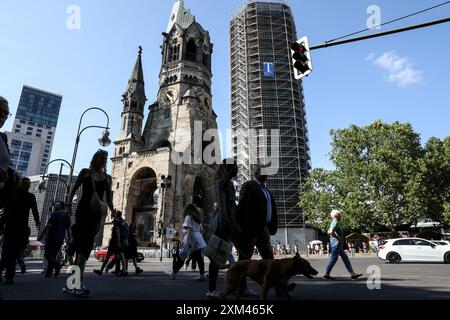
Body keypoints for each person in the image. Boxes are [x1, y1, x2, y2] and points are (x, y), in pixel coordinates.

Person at [65, 150, 115, 295]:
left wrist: (113, 212)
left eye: (106, 158)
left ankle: (71, 284)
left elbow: (109, 198)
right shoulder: (85, 173)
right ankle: (76, 284)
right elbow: (73, 190)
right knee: (81, 247)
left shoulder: (107, 178)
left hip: (96, 214)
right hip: (82, 212)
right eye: (101, 157)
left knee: (85, 248)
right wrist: (68, 206)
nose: (104, 159)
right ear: (95, 158)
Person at [207, 158, 240, 297]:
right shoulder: (221, 183)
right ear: (229, 168)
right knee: (216, 259)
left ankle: (236, 286)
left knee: (224, 256)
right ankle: (211, 290)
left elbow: (232, 205)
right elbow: (221, 205)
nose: (237, 169)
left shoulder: (229, 184)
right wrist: (226, 222)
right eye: (235, 167)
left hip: (230, 224)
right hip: (223, 225)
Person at [0, 177, 40, 284]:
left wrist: (37, 221)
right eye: (25, 183)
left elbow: (5, 210)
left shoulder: (23, 195)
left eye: (28, 183)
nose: (27, 184)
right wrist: (37, 222)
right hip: (15, 228)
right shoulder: (21, 195)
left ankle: (7, 275)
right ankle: (8, 276)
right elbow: (6, 210)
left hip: (16, 228)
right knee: (11, 253)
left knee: (10, 253)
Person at [235, 164, 278, 261]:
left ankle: (268, 276)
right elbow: (242, 208)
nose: (266, 175)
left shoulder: (265, 189)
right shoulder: (249, 185)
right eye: (264, 172)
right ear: (256, 173)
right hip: (251, 230)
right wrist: (244, 229)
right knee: (245, 258)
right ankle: (239, 275)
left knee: (269, 259)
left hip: (264, 229)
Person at [169, 203, 206, 280]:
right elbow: (201, 230)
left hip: (191, 237)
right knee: (199, 258)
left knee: (182, 256)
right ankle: (202, 275)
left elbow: (189, 229)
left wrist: (189, 241)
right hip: (198, 238)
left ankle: (173, 273)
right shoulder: (197, 218)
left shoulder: (188, 217)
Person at [323, 210, 362, 280]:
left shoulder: (334, 223)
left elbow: (329, 231)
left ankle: (352, 274)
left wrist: (337, 238)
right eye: (340, 214)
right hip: (336, 244)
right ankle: (326, 274)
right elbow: (330, 232)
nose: (341, 216)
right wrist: (338, 238)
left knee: (345, 258)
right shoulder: (335, 222)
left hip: (337, 244)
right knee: (333, 259)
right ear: (336, 215)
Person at [94, 210, 127, 276]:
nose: (111, 214)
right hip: (117, 242)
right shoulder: (121, 221)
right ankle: (124, 271)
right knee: (120, 256)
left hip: (115, 242)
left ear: (116, 215)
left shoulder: (117, 222)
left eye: (113, 214)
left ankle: (101, 270)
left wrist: (118, 241)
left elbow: (117, 231)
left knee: (111, 257)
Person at [44, 201, 69, 277]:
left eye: (57, 205)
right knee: (53, 255)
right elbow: (68, 227)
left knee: (47, 254)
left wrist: (46, 235)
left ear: (60, 206)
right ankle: (49, 273)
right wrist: (69, 238)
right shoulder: (66, 215)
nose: (55, 206)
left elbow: (49, 226)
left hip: (52, 237)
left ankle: (57, 265)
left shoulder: (54, 214)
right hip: (60, 238)